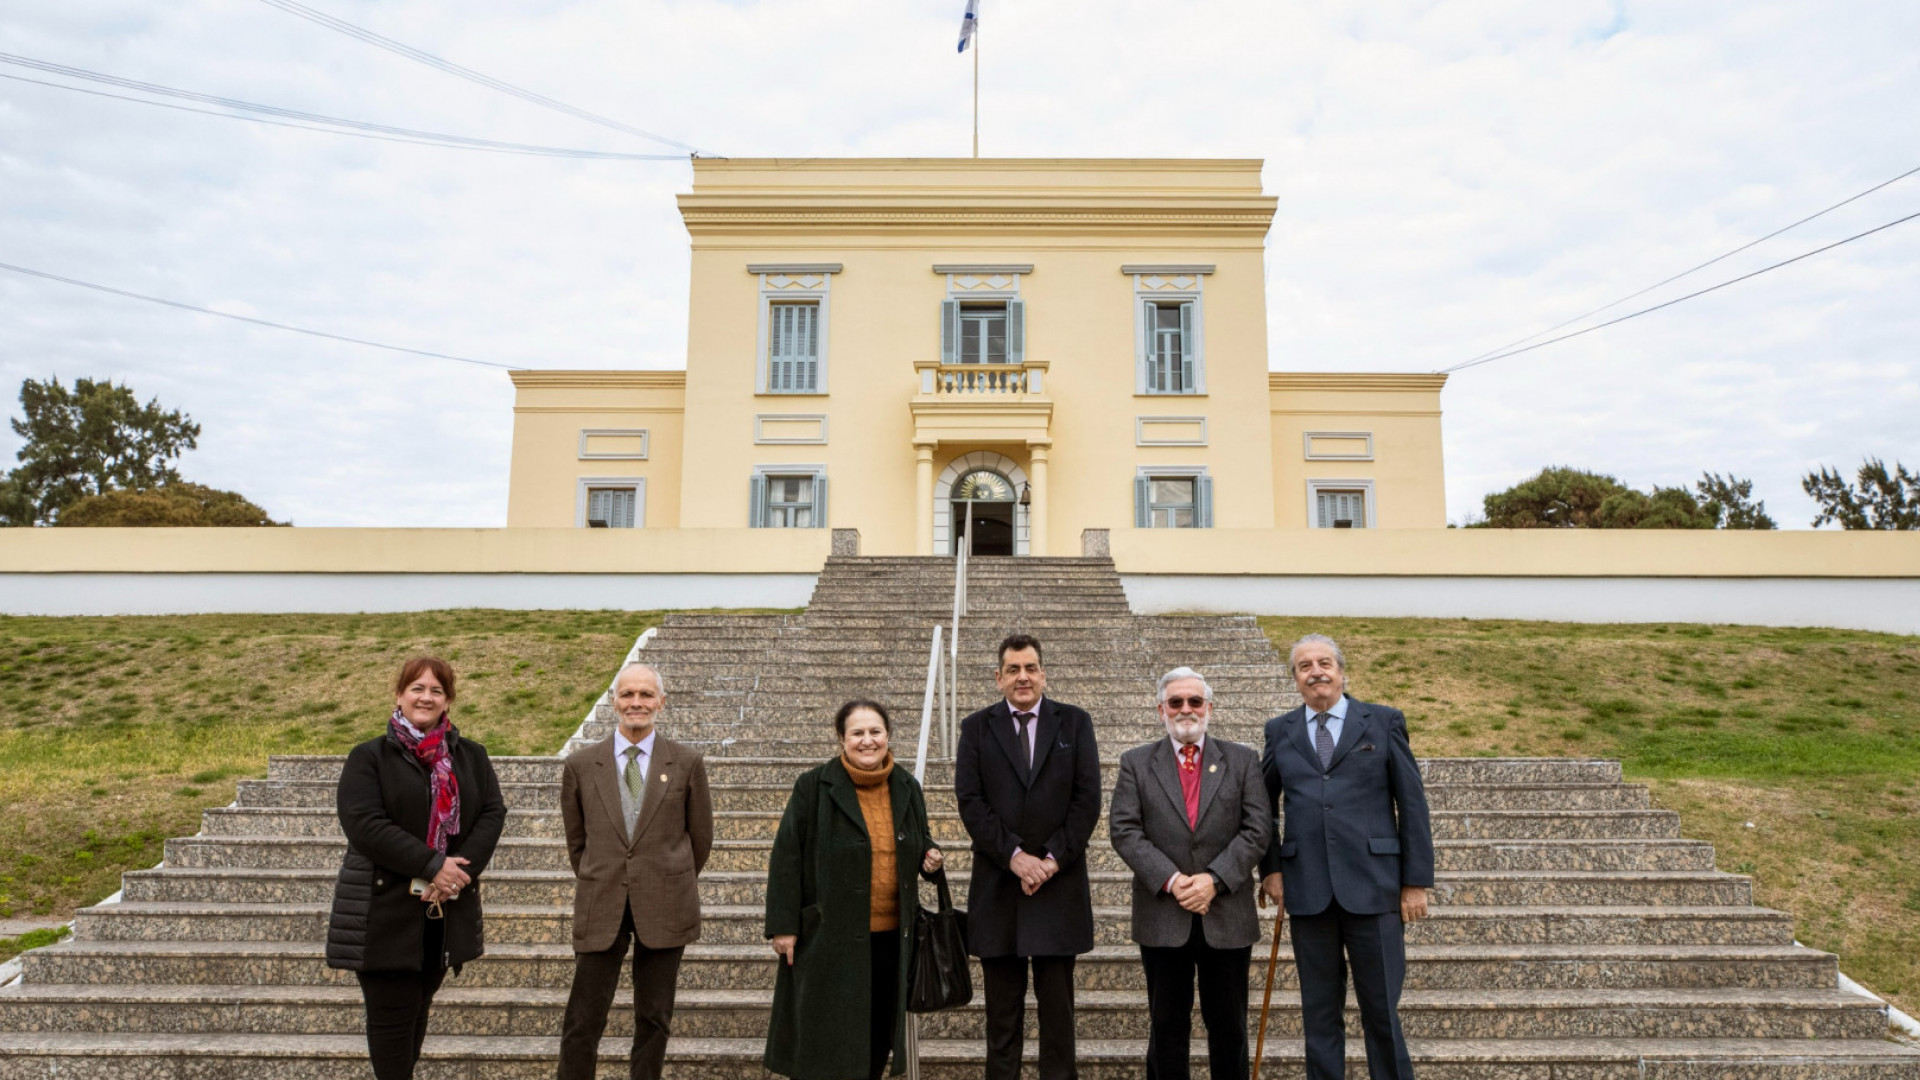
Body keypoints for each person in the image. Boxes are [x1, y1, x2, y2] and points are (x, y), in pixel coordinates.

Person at [1258, 634, 1434, 1080]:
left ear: (1341, 671)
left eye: (1323, 663)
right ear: (1295, 680)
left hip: (1375, 889)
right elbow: (1262, 806)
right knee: (1319, 1015)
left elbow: (1411, 803)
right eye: (1304, 666)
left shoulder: (1383, 722)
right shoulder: (1280, 731)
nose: (1315, 671)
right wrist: (1272, 868)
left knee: (1381, 1012)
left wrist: (1415, 882)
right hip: (1307, 891)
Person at [327, 656, 507, 1080]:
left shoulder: (472, 757)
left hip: (442, 914)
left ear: (448, 701)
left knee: (417, 1014)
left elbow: (492, 814)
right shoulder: (369, 756)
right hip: (384, 914)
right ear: (399, 695)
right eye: (417, 688)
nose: (426, 697)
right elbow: (364, 825)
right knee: (392, 1023)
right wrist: (433, 865)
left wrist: (455, 875)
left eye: (437, 690)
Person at [763, 699, 944, 1080]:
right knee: (824, 1043)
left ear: (888, 736)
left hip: (891, 941)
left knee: (877, 1040)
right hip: (828, 939)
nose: (867, 741)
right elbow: (786, 857)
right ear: (841, 739)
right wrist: (783, 926)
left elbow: (919, 840)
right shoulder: (813, 786)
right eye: (857, 733)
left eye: (875, 732)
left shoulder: (907, 786)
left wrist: (929, 855)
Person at [1108, 667, 1271, 1080]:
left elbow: (1258, 829)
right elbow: (1124, 830)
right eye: (1176, 702)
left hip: (1227, 915)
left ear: (1209, 708)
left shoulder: (1243, 760)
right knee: (1166, 1028)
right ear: (1160, 709)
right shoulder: (1136, 763)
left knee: (1229, 1029)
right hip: (1164, 913)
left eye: (1194, 701)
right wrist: (1175, 880)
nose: (1186, 709)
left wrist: (1213, 880)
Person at [953, 634, 1102, 1080]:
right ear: (998, 678)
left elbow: (1087, 800)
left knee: (1059, 1018)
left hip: (1059, 889)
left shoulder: (1075, 723)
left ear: (1043, 674)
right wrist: (1015, 857)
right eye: (1013, 669)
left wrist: (1051, 860)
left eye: (1031, 668)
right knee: (1002, 1018)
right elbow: (970, 801)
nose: (1023, 677)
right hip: (1000, 889)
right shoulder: (976, 728)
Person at [556, 662, 714, 1080]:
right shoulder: (580, 765)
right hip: (601, 900)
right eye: (628, 694)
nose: (636, 702)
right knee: (582, 1020)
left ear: (661, 702)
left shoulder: (686, 762)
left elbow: (699, 839)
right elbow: (577, 842)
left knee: (655, 1017)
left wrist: (664, 876)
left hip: (666, 902)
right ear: (614, 701)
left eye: (646, 694)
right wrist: (603, 873)